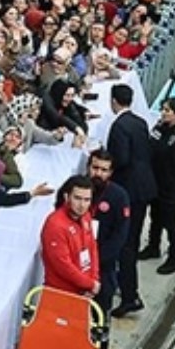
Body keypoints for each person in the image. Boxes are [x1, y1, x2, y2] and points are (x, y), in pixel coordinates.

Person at [105, 85, 156, 317]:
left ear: (114, 101)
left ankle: (129, 294)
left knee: (125, 245)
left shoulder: (118, 126)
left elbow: (122, 158)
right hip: (144, 186)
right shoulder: (140, 122)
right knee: (132, 241)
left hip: (129, 189)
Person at [137, 98, 175, 275]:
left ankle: (174, 258)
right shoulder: (158, 128)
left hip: (171, 185)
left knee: (170, 222)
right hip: (155, 181)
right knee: (155, 215)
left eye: (168, 110)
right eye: (163, 109)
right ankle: (153, 246)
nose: (163, 112)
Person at [86, 150, 132, 315]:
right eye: (95, 167)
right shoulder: (75, 188)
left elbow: (120, 235)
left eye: (104, 170)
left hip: (103, 266)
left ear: (111, 173)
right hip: (75, 263)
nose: (98, 173)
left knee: (99, 313)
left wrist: (97, 259)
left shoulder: (119, 196)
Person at [41, 176, 99, 299]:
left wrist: (93, 280)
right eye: (77, 198)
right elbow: (62, 265)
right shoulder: (55, 224)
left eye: (87, 200)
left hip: (84, 292)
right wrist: (90, 284)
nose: (82, 205)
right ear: (67, 197)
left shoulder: (86, 216)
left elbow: (92, 248)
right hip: (60, 293)